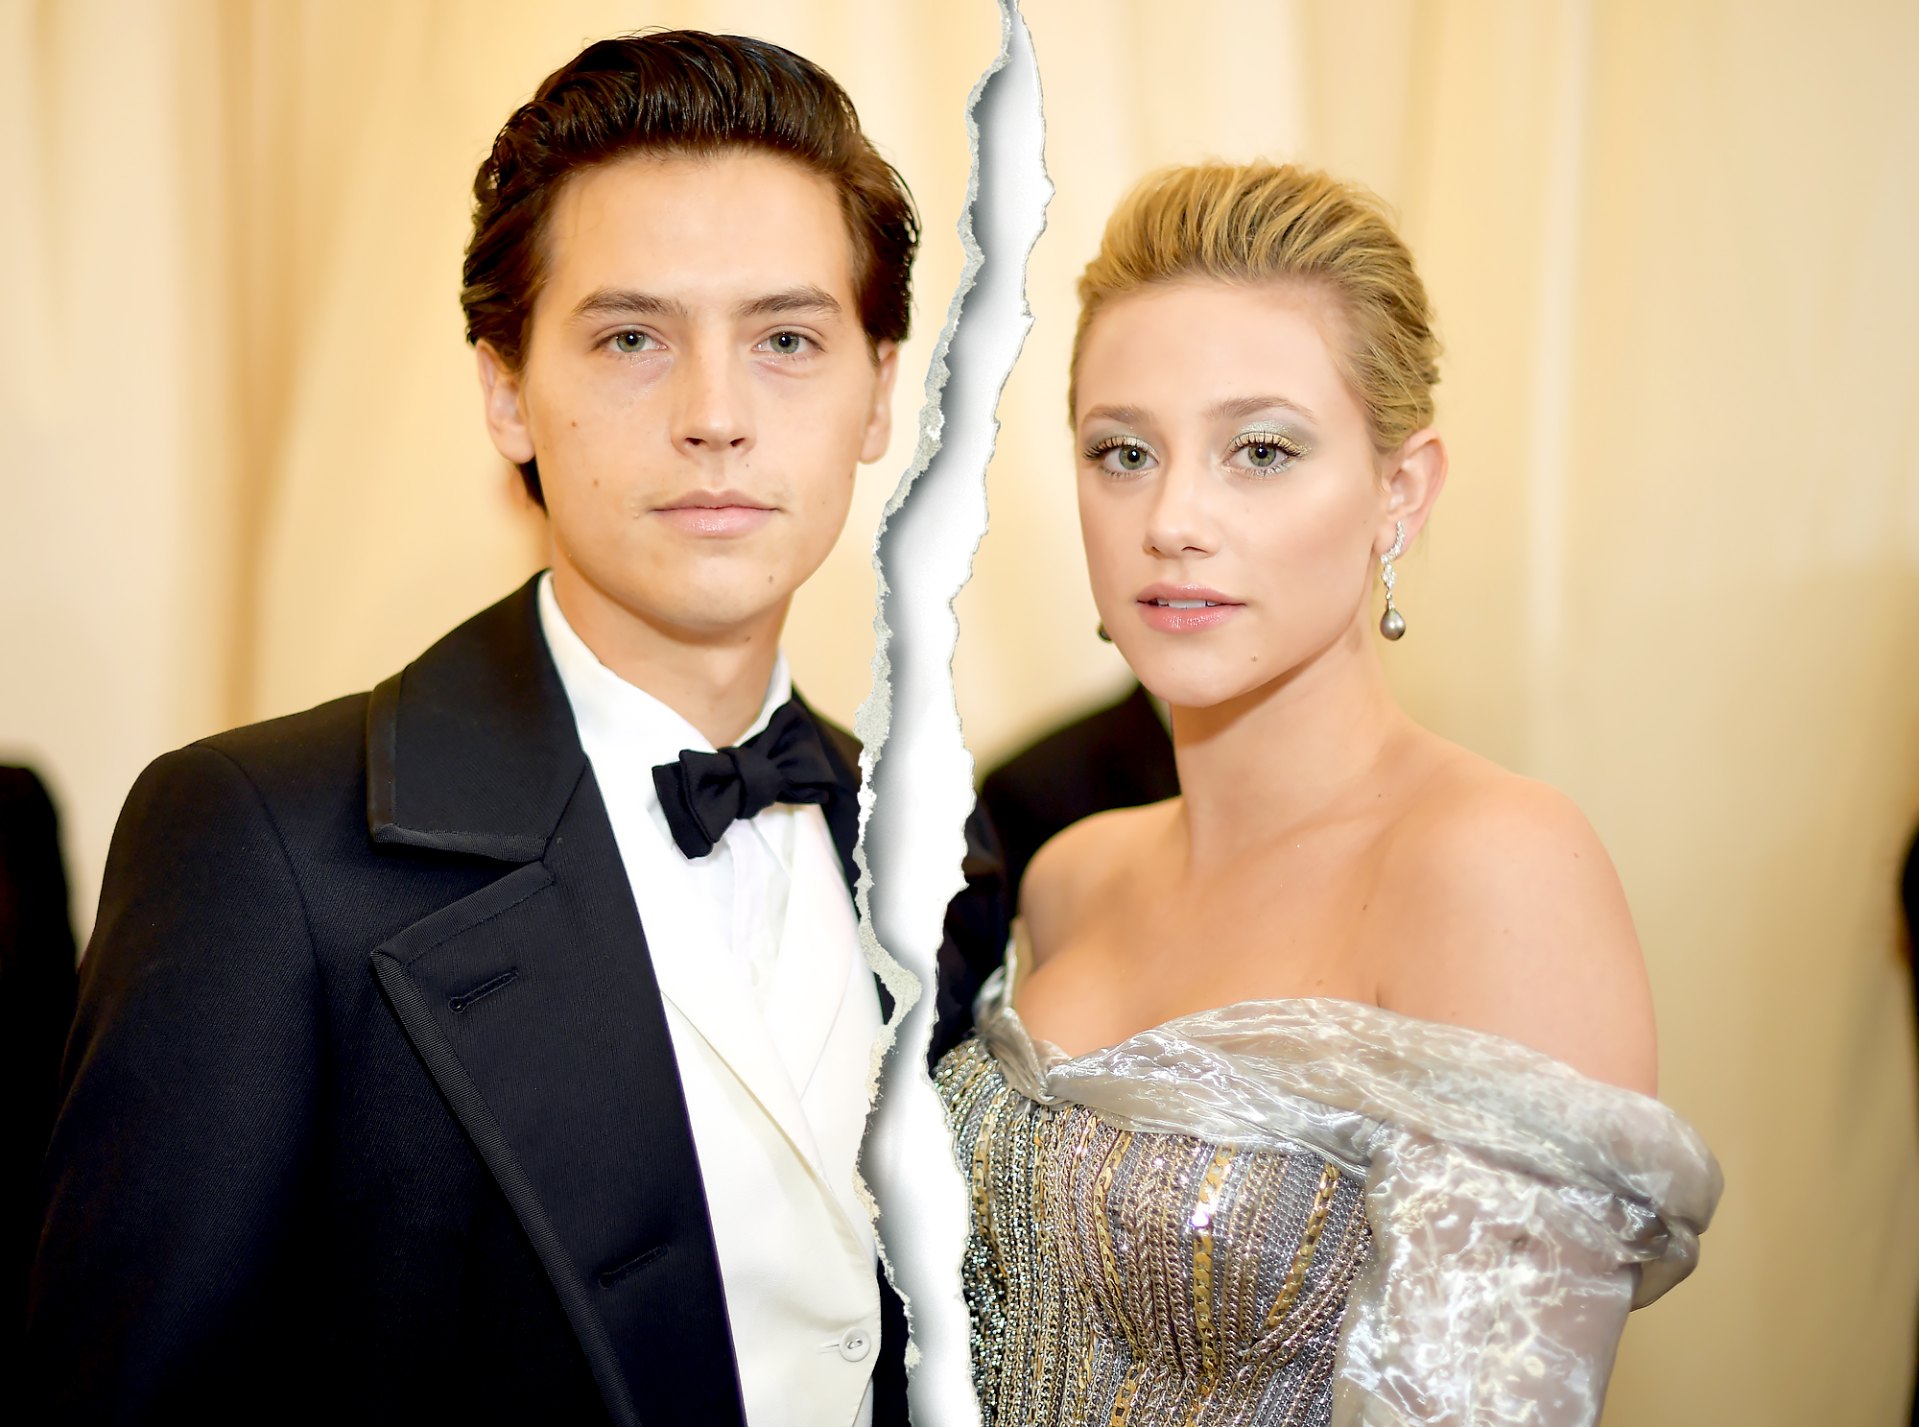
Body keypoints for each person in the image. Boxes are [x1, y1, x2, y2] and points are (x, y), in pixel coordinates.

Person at [27, 31, 1003, 1427]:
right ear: (505, 390)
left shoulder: (940, 850)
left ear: (878, 390)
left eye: (786, 340)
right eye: (630, 338)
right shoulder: (263, 843)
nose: (715, 415)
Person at [935, 162, 1720, 1425]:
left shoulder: (1492, 864)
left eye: (1260, 451)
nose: (1172, 517)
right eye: (1123, 452)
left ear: (1397, 491)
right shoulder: (1072, 872)